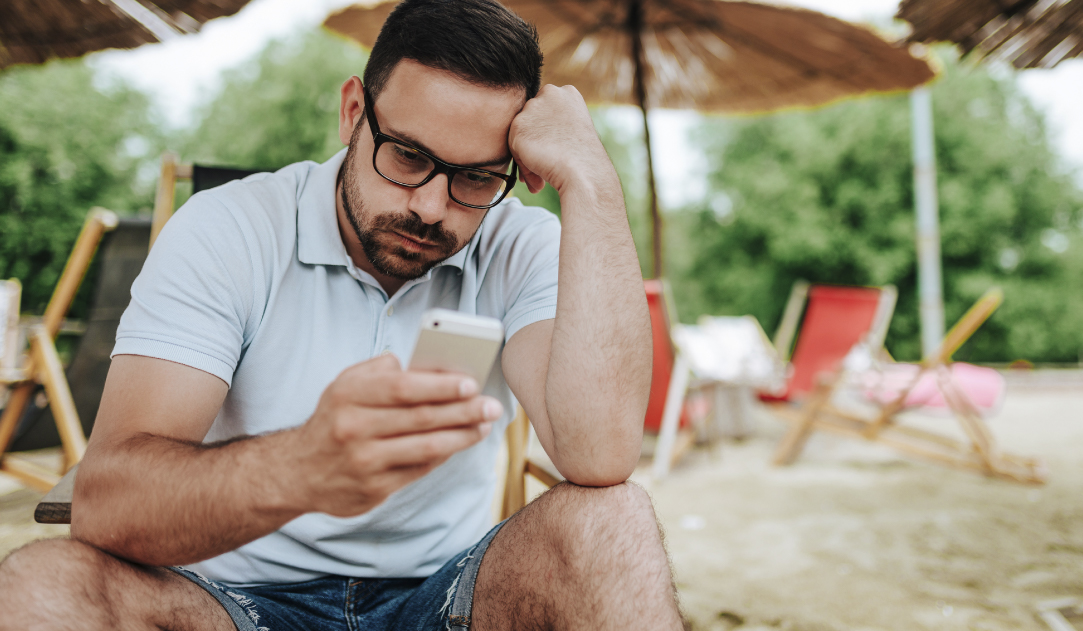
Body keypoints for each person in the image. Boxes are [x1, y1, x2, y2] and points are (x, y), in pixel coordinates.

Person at [0, 0, 683, 628]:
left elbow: (599, 455)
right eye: (409, 156)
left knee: (611, 520)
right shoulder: (228, 229)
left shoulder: (517, 243)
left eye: (475, 177)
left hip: (445, 595)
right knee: (43, 583)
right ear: (353, 112)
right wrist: (301, 465)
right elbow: (106, 502)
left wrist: (591, 182)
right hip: (231, 602)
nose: (430, 207)